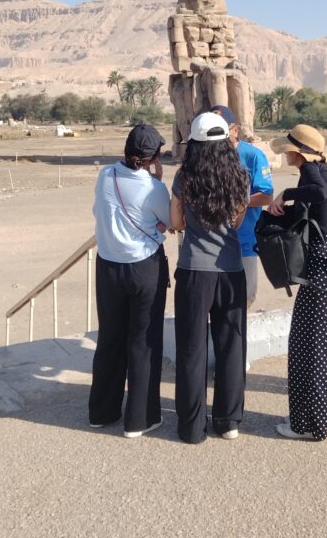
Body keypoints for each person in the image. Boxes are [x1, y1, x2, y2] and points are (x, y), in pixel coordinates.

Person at [267, 124, 327, 441]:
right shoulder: (318, 171)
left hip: (325, 264)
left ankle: (309, 424)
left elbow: (320, 195)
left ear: (296, 152)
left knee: (310, 344)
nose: (286, 153)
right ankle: (315, 419)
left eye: (288, 149)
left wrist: (286, 194)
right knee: (318, 343)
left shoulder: (313, 174)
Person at [170, 112, 251, 443]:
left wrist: (191, 221)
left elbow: (176, 220)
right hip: (230, 270)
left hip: (194, 270)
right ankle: (228, 421)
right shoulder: (240, 176)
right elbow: (238, 220)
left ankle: (192, 428)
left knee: (192, 348)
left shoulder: (184, 177)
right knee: (231, 345)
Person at [88, 124, 171, 438]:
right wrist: (156, 183)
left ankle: (102, 411)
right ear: (153, 158)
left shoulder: (105, 176)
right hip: (143, 267)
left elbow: (99, 210)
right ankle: (139, 418)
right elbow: (167, 224)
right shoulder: (154, 188)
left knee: (110, 338)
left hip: (109, 266)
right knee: (143, 342)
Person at [209, 105, 273, 310]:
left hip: (245, 241)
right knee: (216, 298)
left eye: (222, 129)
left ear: (235, 130)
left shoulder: (253, 156)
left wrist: (238, 202)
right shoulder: (206, 157)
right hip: (212, 242)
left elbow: (266, 196)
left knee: (244, 298)